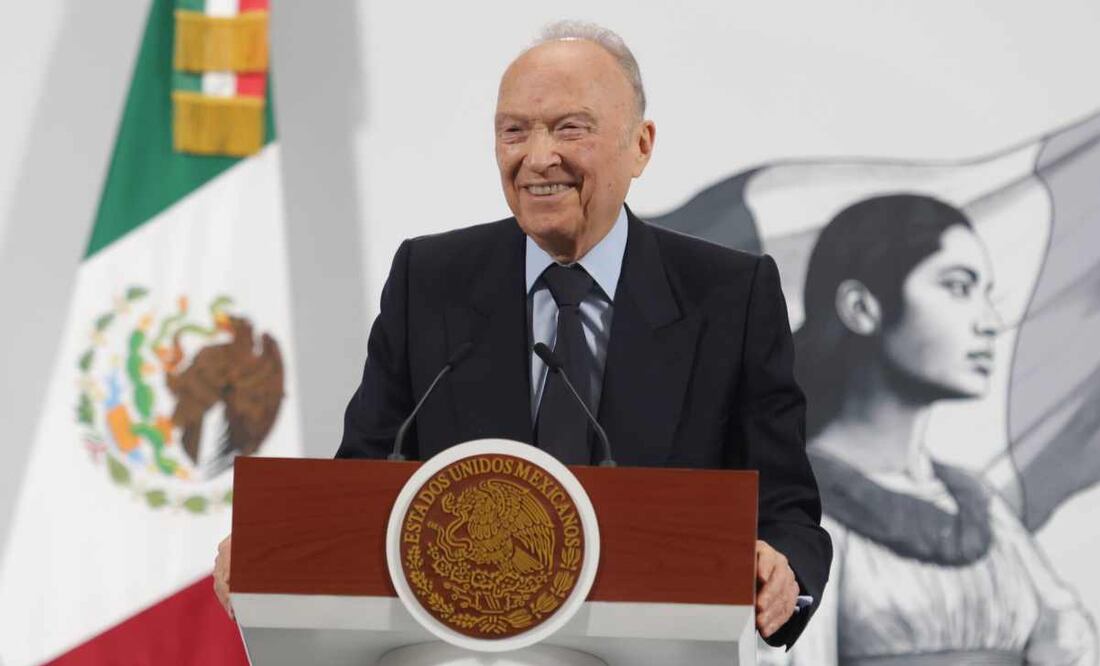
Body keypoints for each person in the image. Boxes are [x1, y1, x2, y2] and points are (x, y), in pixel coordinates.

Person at [215, 20, 831, 649]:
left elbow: (787, 511)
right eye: (514, 131)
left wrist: (782, 566)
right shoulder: (429, 281)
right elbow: (365, 483)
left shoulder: (730, 294)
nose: (538, 157)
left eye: (571, 128)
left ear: (641, 146)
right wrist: (277, 548)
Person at [762, 194, 1096, 664]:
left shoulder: (982, 508)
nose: (990, 323)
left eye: (986, 294)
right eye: (958, 287)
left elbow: (1068, 643)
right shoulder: (795, 504)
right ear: (862, 307)